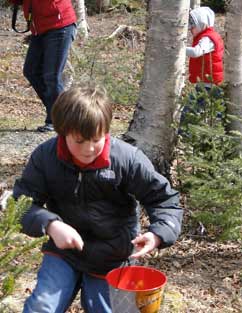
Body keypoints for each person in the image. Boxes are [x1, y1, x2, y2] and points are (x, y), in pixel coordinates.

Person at [13, 86, 183, 312]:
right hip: (64, 253)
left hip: (113, 257)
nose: (89, 149)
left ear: (106, 131)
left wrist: (158, 234)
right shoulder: (46, 156)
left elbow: (164, 200)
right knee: (42, 307)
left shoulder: (127, 159)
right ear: (63, 132)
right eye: (80, 140)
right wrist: (51, 224)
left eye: (96, 139)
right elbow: (22, 205)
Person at [9, 0, 77, 132]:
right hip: (39, 29)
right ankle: (63, 113)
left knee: (51, 76)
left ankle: (57, 120)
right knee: (31, 71)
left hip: (60, 25)